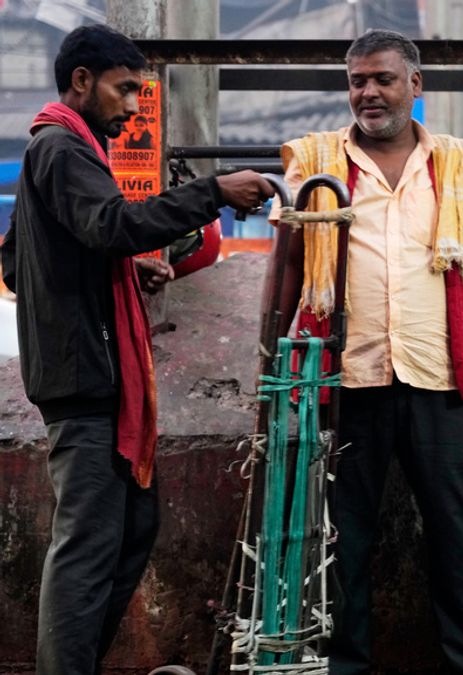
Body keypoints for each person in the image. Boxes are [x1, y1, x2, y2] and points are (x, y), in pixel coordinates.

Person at [0, 24, 272, 675]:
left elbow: (18, 261)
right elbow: (109, 224)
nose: (130, 106)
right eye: (123, 91)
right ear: (83, 81)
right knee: (91, 545)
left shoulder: (63, 148)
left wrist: (117, 273)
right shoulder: (64, 147)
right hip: (84, 379)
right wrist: (211, 193)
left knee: (130, 531)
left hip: (93, 374)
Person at [269, 29, 463, 675]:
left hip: (439, 377)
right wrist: (269, 360)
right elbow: (288, 266)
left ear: (415, 84)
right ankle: (342, 666)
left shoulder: (455, 163)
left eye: (381, 78)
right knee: (339, 542)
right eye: (357, 81)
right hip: (345, 381)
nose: (368, 93)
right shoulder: (317, 162)